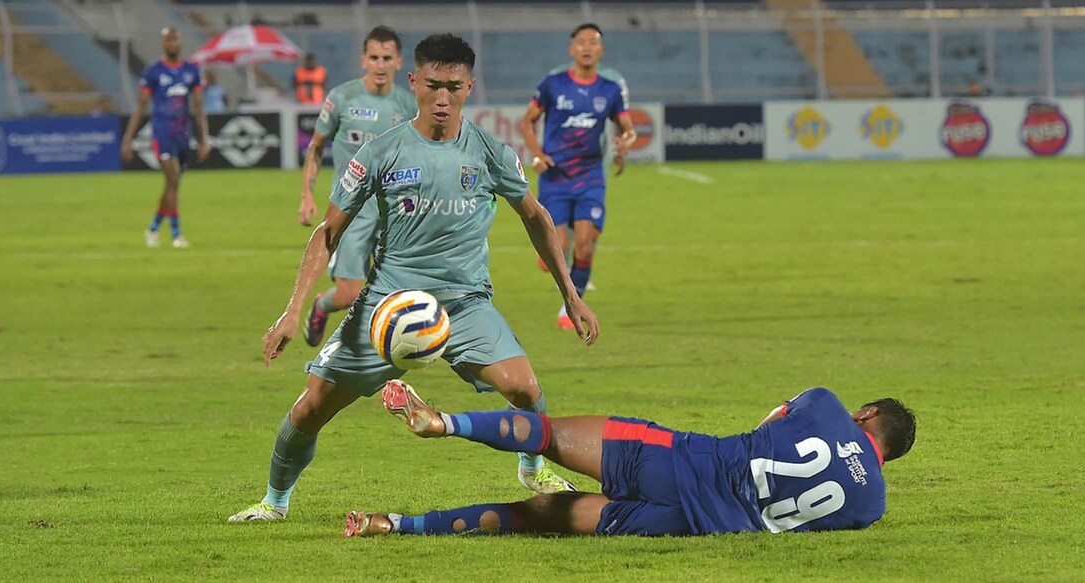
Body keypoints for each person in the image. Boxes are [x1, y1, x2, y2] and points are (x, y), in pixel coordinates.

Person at [228, 33, 600, 523]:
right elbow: (328, 232)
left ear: (470, 87)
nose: (442, 98)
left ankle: (533, 469)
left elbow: (536, 217)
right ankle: (274, 503)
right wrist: (292, 310)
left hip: (464, 303)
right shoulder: (381, 152)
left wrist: (570, 294)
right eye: (432, 85)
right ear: (414, 82)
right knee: (310, 408)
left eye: (454, 87)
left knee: (526, 390)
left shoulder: (490, 153)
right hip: (386, 305)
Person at [345, 381, 917, 537]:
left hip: (683, 461)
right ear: (886, 456)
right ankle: (395, 525)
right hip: (693, 524)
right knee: (539, 516)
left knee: (548, 434)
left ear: (867, 414)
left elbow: (768, 425)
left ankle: (442, 422)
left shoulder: (827, 405)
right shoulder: (871, 506)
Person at [298, 26, 417, 347]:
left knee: (403, 290)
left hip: (395, 210)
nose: (380, 65)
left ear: (398, 62)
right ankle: (322, 305)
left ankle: (385, 351)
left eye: (387, 58)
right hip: (352, 210)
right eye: (374, 57)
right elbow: (316, 146)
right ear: (363, 60)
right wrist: (307, 194)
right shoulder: (342, 98)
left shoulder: (409, 106)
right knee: (349, 293)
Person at [519, 23, 636, 330]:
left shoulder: (610, 89)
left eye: (593, 42)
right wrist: (536, 154)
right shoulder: (553, 84)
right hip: (555, 176)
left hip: (590, 176)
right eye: (581, 42)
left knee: (584, 245)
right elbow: (527, 122)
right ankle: (553, 250)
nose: (587, 47)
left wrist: (625, 143)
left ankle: (570, 305)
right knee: (556, 248)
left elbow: (627, 128)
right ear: (572, 49)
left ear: (601, 50)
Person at [122, 27, 210, 249]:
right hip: (162, 134)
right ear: (163, 43)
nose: (172, 43)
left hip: (183, 135)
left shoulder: (191, 70)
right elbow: (141, 106)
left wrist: (204, 139)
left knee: (173, 184)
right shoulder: (153, 71)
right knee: (173, 178)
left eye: (175, 39)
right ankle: (176, 234)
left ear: (180, 42)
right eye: (168, 40)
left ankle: (153, 228)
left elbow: (199, 106)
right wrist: (128, 139)